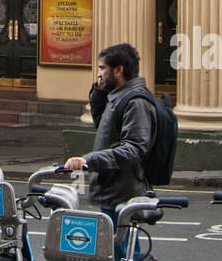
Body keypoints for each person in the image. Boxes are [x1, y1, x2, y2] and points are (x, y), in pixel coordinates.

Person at [64, 42, 157, 214]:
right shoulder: (119, 98)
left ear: (118, 70)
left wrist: (89, 160)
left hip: (122, 193)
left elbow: (134, 149)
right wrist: (99, 95)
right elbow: (106, 131)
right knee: (113, 240)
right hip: (113, 190)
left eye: (102, 68)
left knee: (117, 240)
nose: (99, 74)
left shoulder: (135, 102)